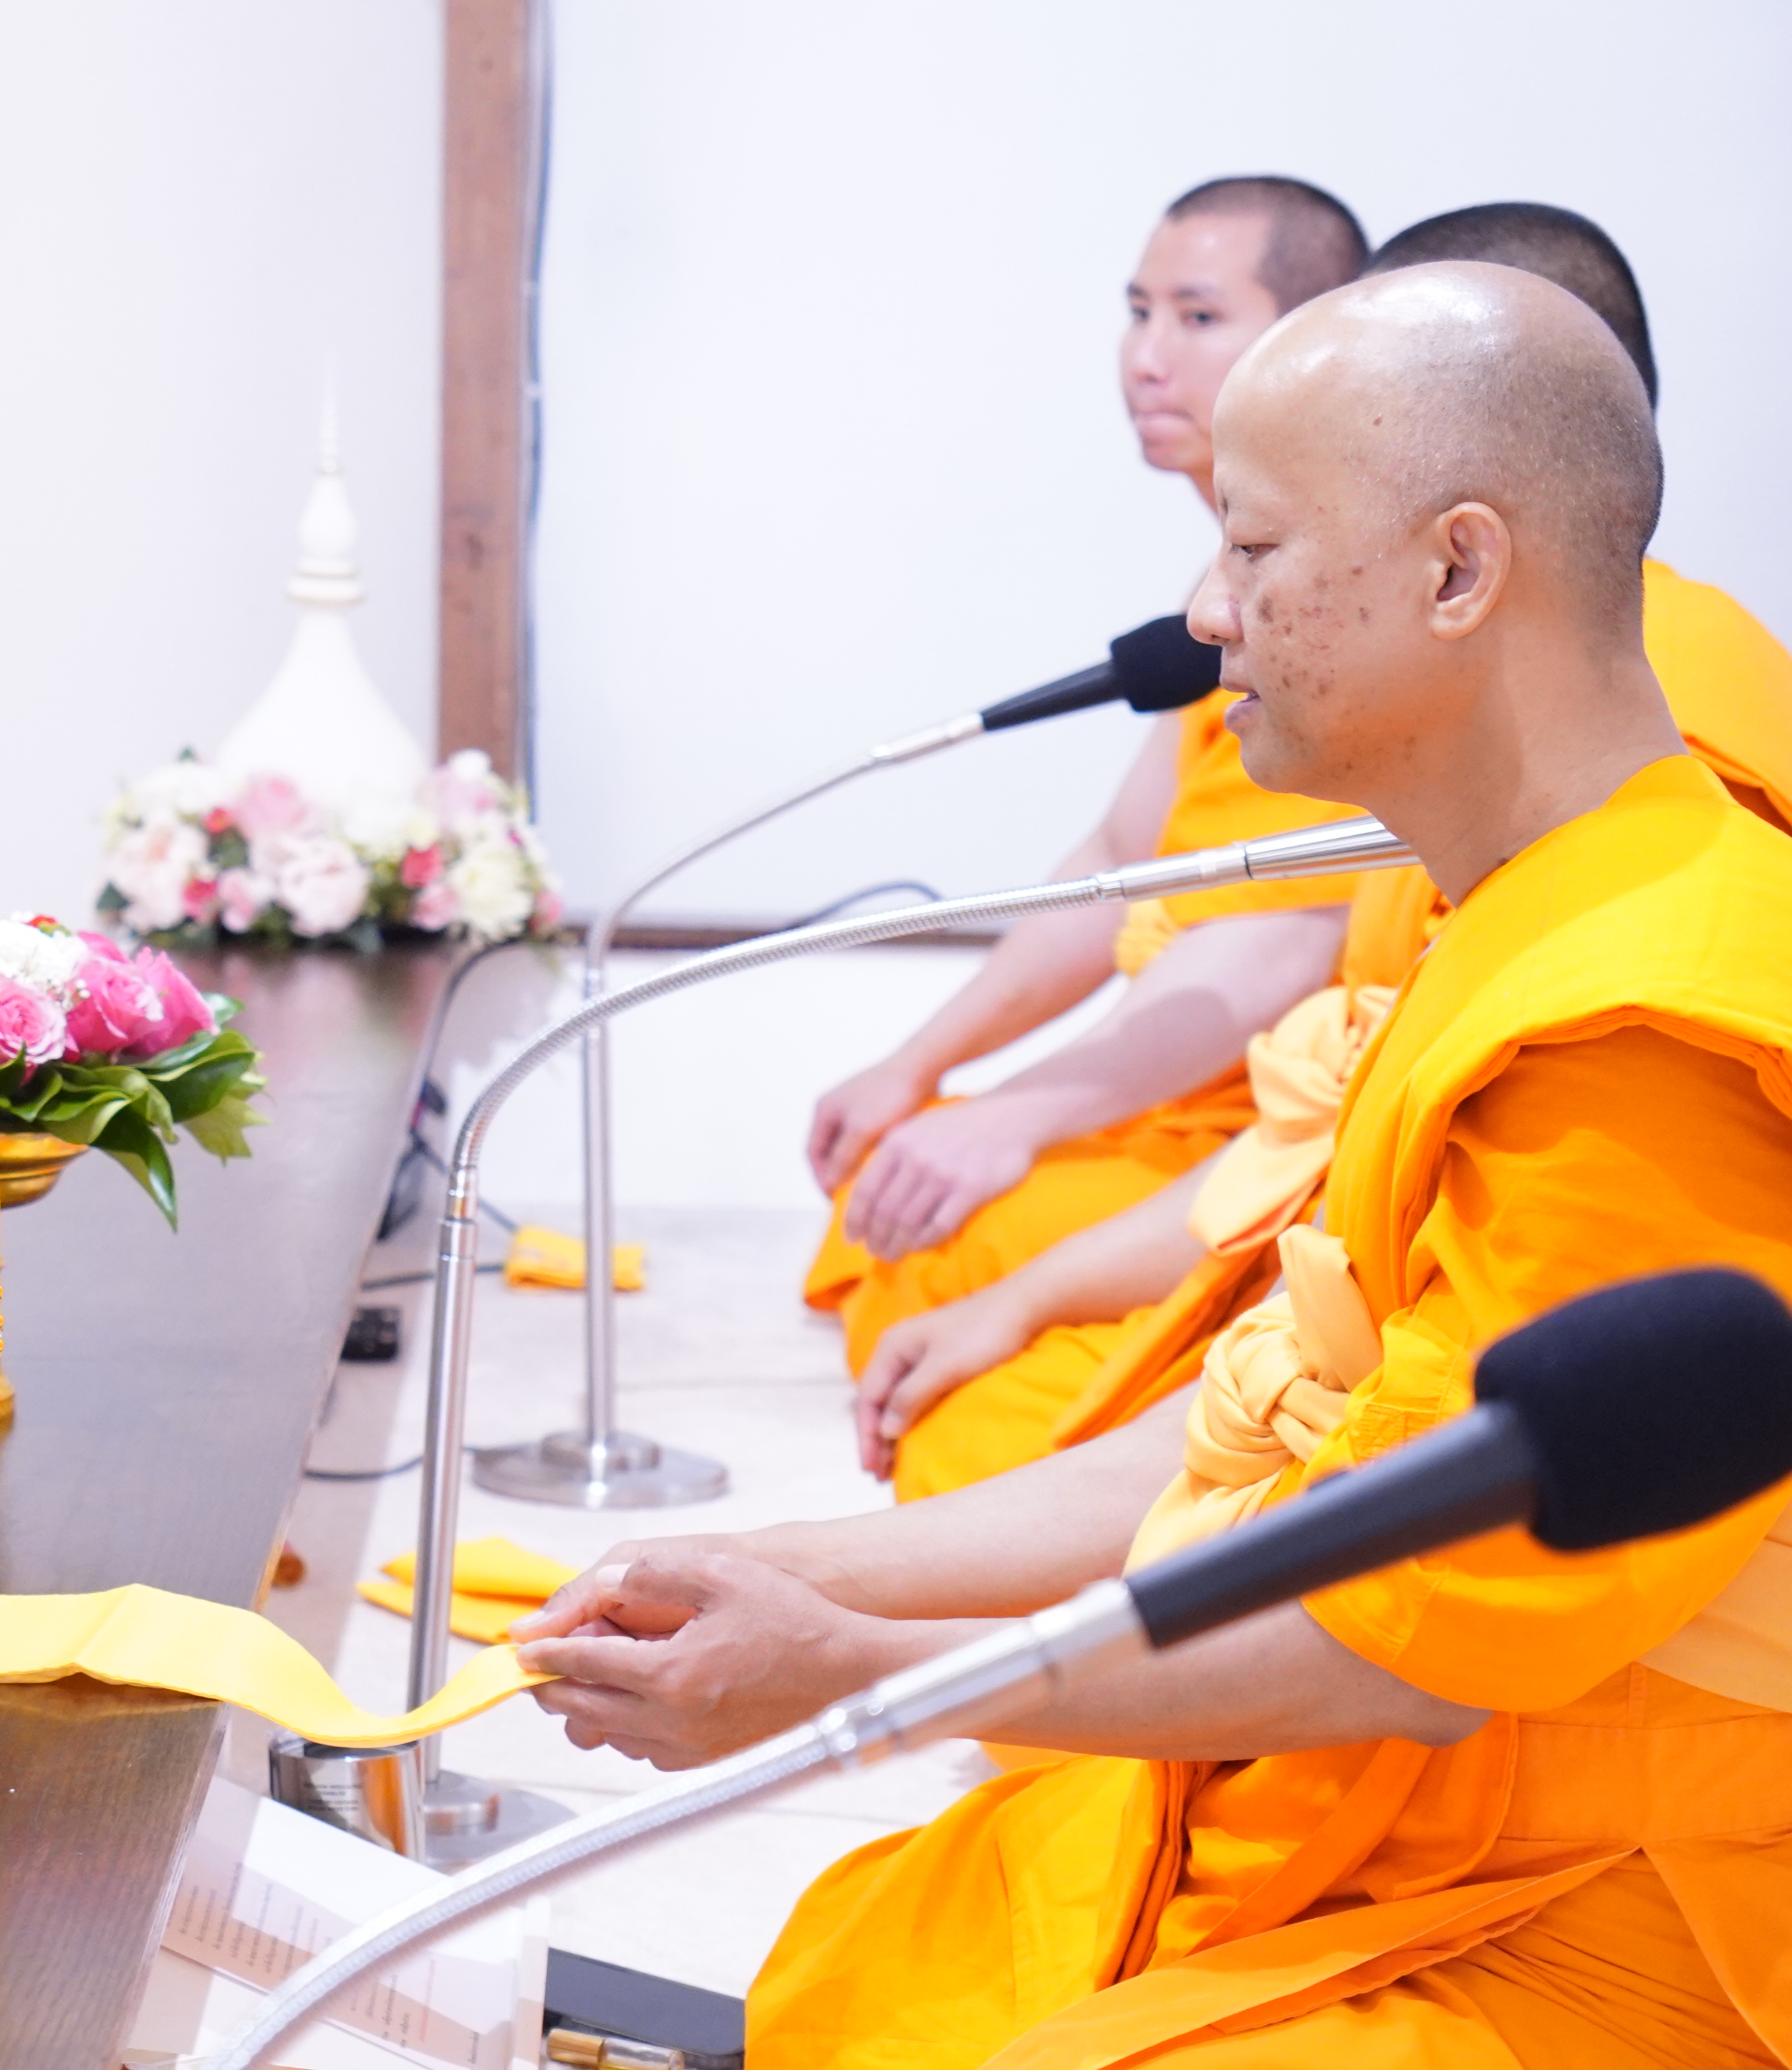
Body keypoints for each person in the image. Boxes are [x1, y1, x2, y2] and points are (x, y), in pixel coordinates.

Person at [516, 261, 1792, 2065]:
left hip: (1607, 1901)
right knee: (871, 1972)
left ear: (1460, 569)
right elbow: (1277, 1412)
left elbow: (1412, 1630)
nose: (1206, 614)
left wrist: (843, 1682)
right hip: (1402, 1804)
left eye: (1253, 551)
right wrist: (804, 1568)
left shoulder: (1642, 1019)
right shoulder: (1502, 901)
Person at [854, 203, 1792, 1498]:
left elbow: (1486, 1510)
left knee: (979, 1427)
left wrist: (861, 1659)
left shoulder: (1637, 905)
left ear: (1465, 557)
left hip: (1474, 1543)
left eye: (1196, 316)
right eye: (1138, 312)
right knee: (955, 1353)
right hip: (1327, 1280)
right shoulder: (1402, 717)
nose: (1203, 610)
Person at [801, 178, 1373, 1373]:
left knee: (953, 1244)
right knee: (900, 1183)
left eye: (1199, 318)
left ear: (1311, 343)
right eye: (1138, 311)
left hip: (1273, 1122)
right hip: (1185, 1077)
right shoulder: (1224, 573)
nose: (1146, 359)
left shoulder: (1336, 585)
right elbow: (1127, 856)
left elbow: (1287, 930)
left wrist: (1026, 1113)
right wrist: (926, 1061)